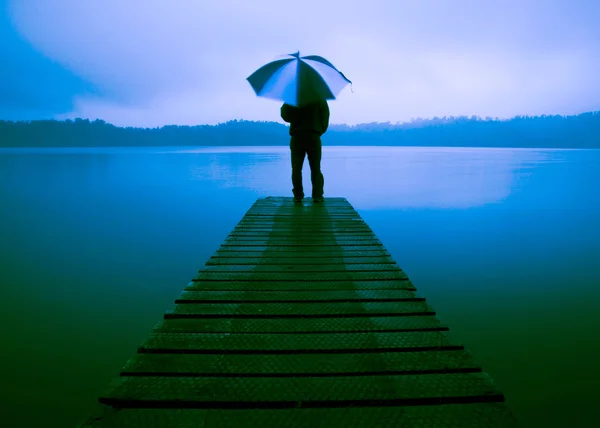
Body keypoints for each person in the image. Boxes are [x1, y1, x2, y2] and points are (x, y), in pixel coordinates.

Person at [280, 100, 330, 203]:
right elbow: (325, 116)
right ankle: (317, 196)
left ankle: (298, 196)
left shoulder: (294, 97)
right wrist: (319, 130)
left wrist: (287, 104)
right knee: (315, 168)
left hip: (297, 136)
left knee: (296, 168)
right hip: (313, 135)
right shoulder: (319, 97)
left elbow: (285, 116)